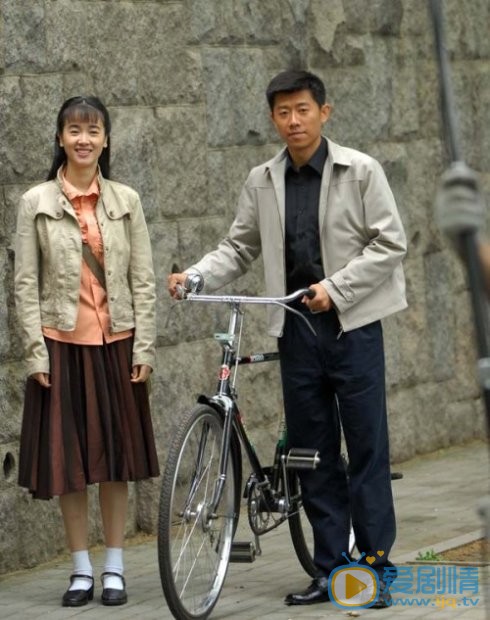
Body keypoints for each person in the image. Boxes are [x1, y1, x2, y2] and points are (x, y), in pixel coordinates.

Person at [168, 69, 407, 608]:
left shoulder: (360, 171)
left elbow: (390, 244)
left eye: (302, 109)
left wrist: (334, 289)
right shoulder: (263, 179)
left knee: (367, 450)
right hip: (295, 332)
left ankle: (374, 570)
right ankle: (330, 571)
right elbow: (238, 246)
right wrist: (197, 277)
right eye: (282, 112)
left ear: (325, 112)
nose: (293, 121)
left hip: (353, 327)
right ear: (273, 118)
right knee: (312, 455)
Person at [14, 96, 160, 608]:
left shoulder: (125, 201)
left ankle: (114, 566)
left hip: (115, 344)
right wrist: (35, 353)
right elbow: (24, 285)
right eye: (74, 130)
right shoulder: (35, 202)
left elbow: (142, 280)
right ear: (59, 138)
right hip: (60, 345)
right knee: (68, 463)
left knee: (116, 461)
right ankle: (80, 569)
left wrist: (144, 345)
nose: (83, 139)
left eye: (93, 130)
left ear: (106, 140)